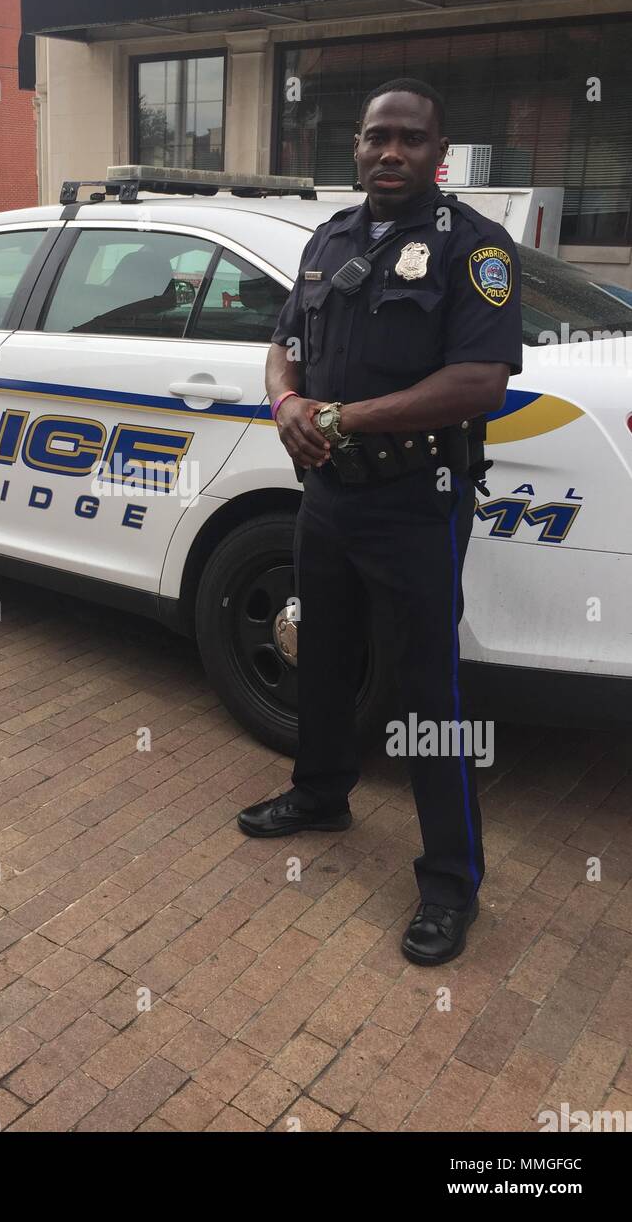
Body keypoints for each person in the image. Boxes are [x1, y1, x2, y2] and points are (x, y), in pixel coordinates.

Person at [236, 78, 523, 966]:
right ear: (355, 149)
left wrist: (344, 419)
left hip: (414, 502)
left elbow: (481, 382)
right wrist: (285, 399)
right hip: (327, 494)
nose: (389, 152)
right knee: (320, 654)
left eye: (409, 138)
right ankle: (320, 794)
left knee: (427, 691)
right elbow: (285, 340)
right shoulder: (330, 240)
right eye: (374, 138)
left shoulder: (475, 249)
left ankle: (450, 883)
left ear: (439, 152)